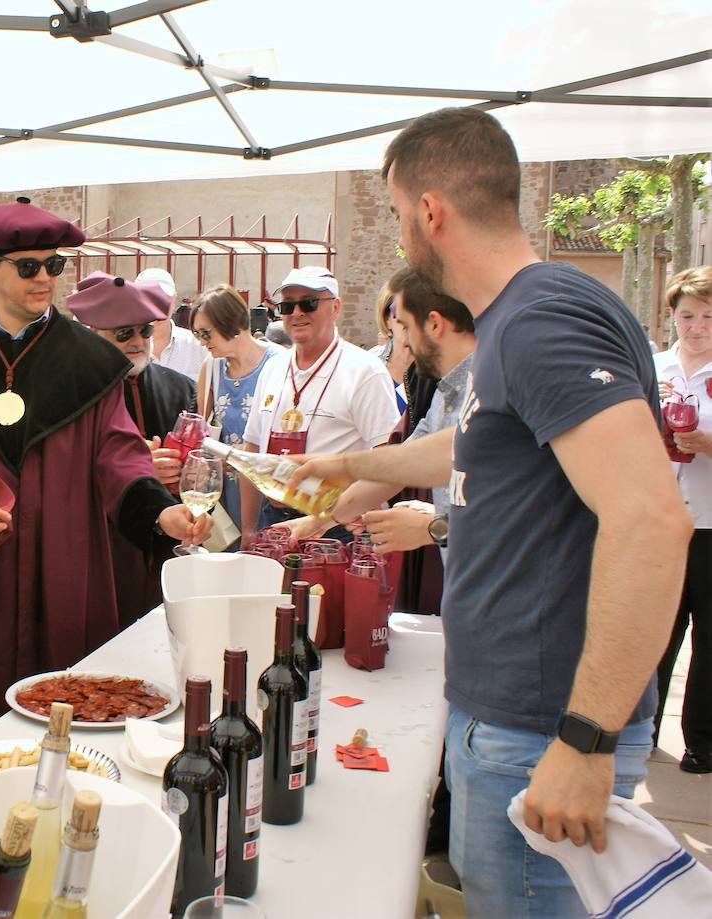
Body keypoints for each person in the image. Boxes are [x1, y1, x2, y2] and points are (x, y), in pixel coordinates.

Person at [288, 107, 690, 918]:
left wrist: (586, 738)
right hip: (510, 719)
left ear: (430, 211)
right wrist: (347, 466)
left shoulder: (541, 318)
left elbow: (650, 518)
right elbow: (468, 451)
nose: (403, 235)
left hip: (541, 728)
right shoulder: (518, 317)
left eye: (401, 215)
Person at [0, 198, 210, 770]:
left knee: (70, 717)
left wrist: (160, 513)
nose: (44, 278)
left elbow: (120, 455)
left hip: (65, 569)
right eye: (28, 266)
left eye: (53, 265)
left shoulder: (89, 360)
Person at [284, 267, 475, 558]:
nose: (402, 342)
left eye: (404, 327)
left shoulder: (494, 389)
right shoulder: (446, 392)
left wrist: (433, 527)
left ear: (434, 324)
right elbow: (399, 466)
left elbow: (524, 519)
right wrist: (320, 521)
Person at [68, 271, 196, 628]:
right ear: (94, 335)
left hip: (165, 553)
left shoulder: (182, 388)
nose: (138, 341)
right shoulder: (73, 396)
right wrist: (137, 470)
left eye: (145, 330)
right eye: (124, 333)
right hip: (101, 552)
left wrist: (189, 469)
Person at [241, 266, 399, 539]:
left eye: (309, 303)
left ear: (335, 308)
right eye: (288, 306)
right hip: (274, 517)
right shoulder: (273, 368)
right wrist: (248, 529)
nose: (297, 313)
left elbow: (387, 460)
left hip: (335, 525)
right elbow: (253, 448)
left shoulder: (364, 370)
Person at [653, 265, 712, 775]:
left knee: (709, 639)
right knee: (655, 631)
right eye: (688, 315)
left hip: (711, 525)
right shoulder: (654, 369)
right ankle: (641, 727)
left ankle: (702, 741)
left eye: (708, 317)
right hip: (658, 522)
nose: (697, 327)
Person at [191, 284, 282, 538]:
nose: (201, 342)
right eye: (197, 334)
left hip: (268, 489)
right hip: (226, 493)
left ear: (231, 323)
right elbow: (203, 434)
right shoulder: (211, 368)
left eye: (206, 333)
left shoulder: (279, 363)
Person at [136, 267, 205, 381]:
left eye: (163, 298)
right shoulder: (126, 350)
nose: (157, 306)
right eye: (150, 298)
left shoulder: (198, 346)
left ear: (174, 299)